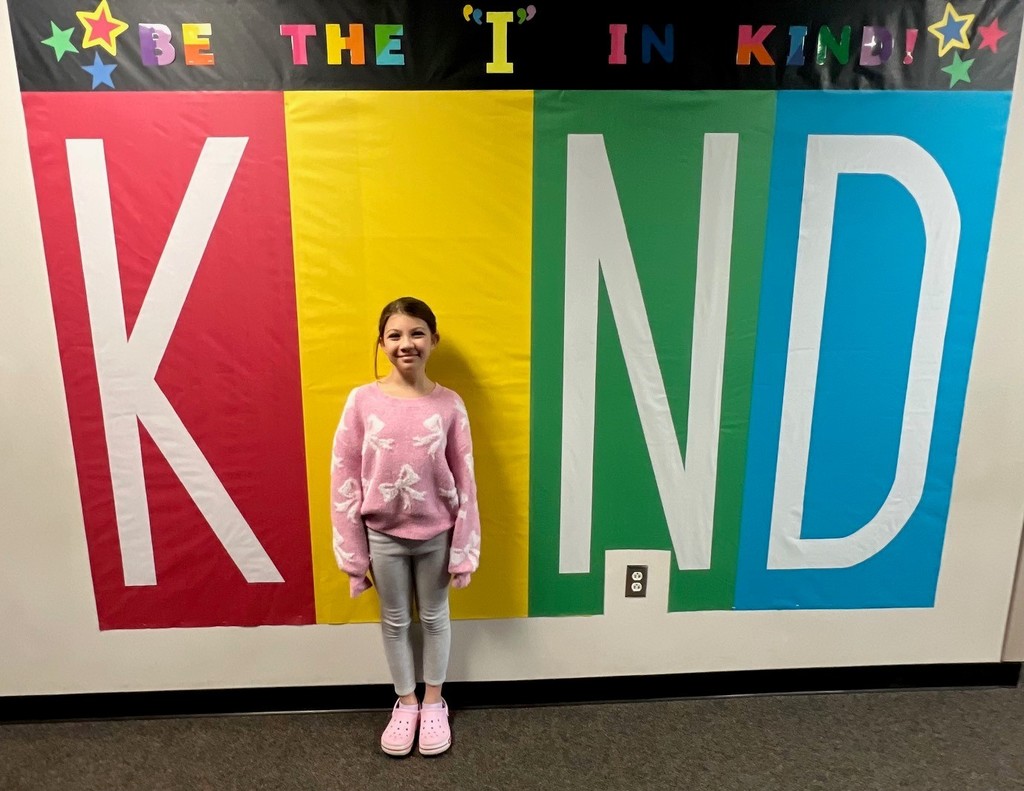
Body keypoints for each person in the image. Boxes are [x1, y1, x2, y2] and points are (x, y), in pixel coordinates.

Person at [330, 296, 480, 757]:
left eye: (417, 333)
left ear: (434, 340)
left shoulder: (450, 405)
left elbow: (466, 478)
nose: (406, 343)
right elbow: (344, 477)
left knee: (435, 617)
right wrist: (353, 554)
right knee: (394, 621)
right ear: (381, 343)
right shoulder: (361, 401)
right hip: (383, 536)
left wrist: (464, 548)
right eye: (394, 335)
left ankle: (434, 701)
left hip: (436, 534)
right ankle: (406, 702)